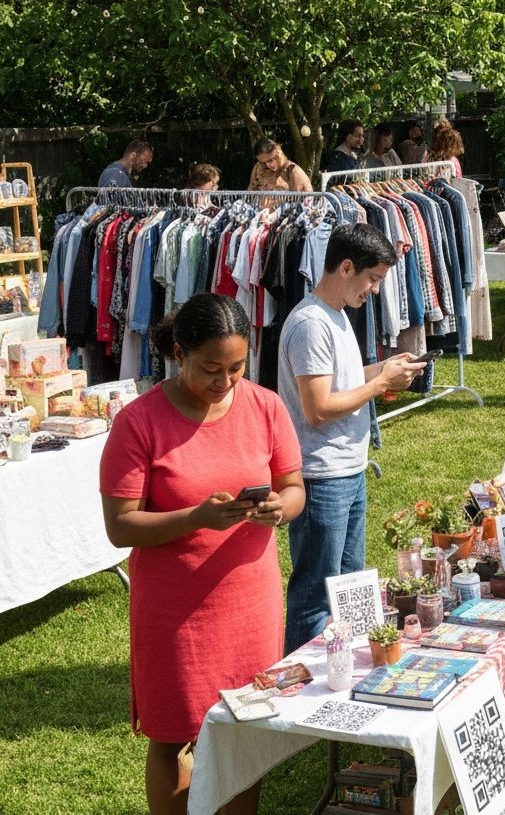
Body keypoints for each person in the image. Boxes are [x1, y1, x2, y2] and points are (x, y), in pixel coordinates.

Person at [99, 294, 304, 815]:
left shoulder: (265, 406)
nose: (225, 381)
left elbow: (295, 487)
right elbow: (120, 527)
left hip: (249, 602)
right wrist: (194, 518)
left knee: (246, 723)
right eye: (211, 368)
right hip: (175, 611)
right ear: (177, 352)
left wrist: (279, 508)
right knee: (171, 734)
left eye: (236, 368)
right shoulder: (139, 423)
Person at [277, 224, 426, 653]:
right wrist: (380, 386)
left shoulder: (337, 316)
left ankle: (337, 671)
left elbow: (340, 383)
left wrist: (381, 370)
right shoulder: (310, 325)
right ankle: (299, 685)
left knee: (346, 586)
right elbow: (318, 407)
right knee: (315, 591)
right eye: (372, 279)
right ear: (346, 267)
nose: (375, 291)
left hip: (347, 468)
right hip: (322, 474)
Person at [246, 138, 313, 192]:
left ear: (278, 152)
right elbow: (250, 194)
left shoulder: (294, 171)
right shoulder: (258, 167)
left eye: (274, 158)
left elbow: (306, 203)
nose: (271, 165)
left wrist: (285, 190)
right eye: (264, 162)